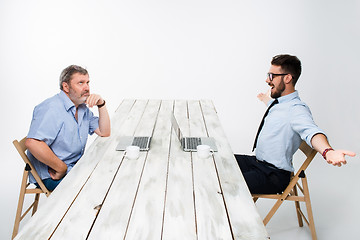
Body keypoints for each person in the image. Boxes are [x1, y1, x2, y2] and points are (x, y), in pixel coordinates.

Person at [235, 54, 356, 194]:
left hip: (272, 175)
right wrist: (266, 101)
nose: (267, 80)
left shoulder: (297, 109)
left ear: (287, 78)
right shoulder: (281, 103)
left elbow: (311, 131)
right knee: (216, 161)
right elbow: (280, 113)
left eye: (271, 76)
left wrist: (328, 151)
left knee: (223, 183)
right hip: (257, 163)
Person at [25, 65, 111, 191]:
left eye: (87, 82)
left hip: (74, 166)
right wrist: (61, 168)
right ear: (66, 87)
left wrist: (101, 104)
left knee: (108, 174)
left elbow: (104, 132)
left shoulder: (82, 108)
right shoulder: (51, 108)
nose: (87, 87)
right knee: (97, 187)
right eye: (80, 83)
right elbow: (32, 143)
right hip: (51, 175)